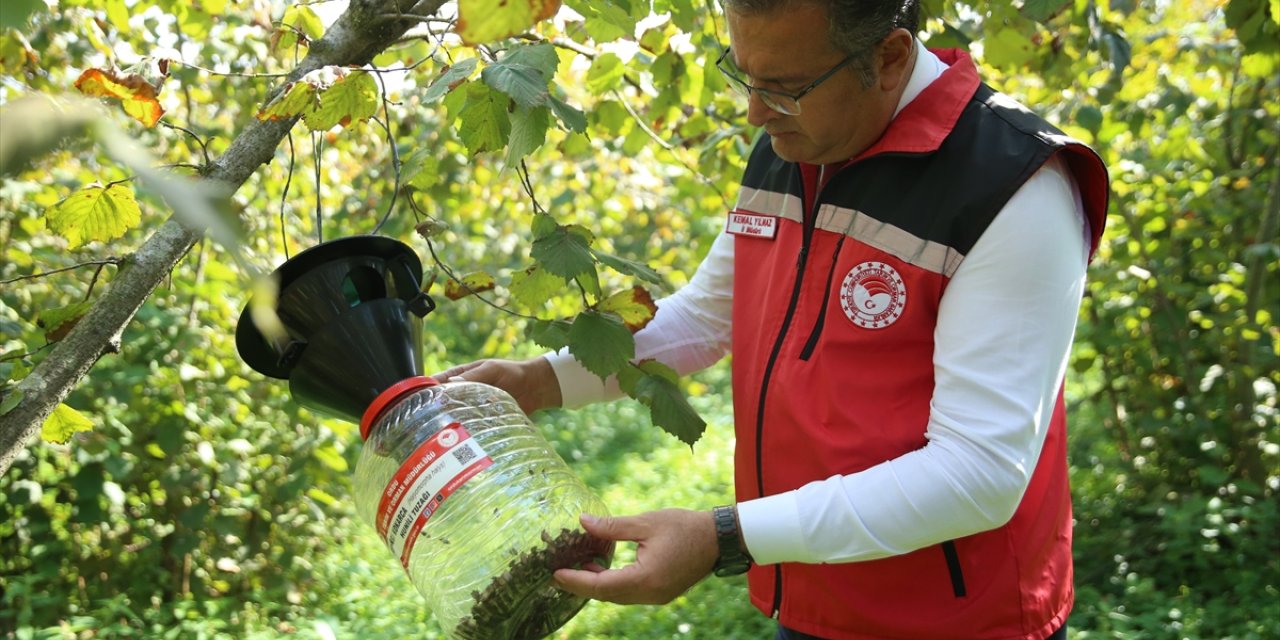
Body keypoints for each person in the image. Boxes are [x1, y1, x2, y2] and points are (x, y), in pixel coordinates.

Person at [435, 1, 1110, 638]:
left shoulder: (1012, 188)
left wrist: (725, 537)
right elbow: (709, 315)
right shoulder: (795, 142)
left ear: (891, 57)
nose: (755, 112)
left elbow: (979, 473)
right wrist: (536, 382)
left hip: (955, 619)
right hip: (813, 590)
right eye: (744, 75)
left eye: (783, 86)